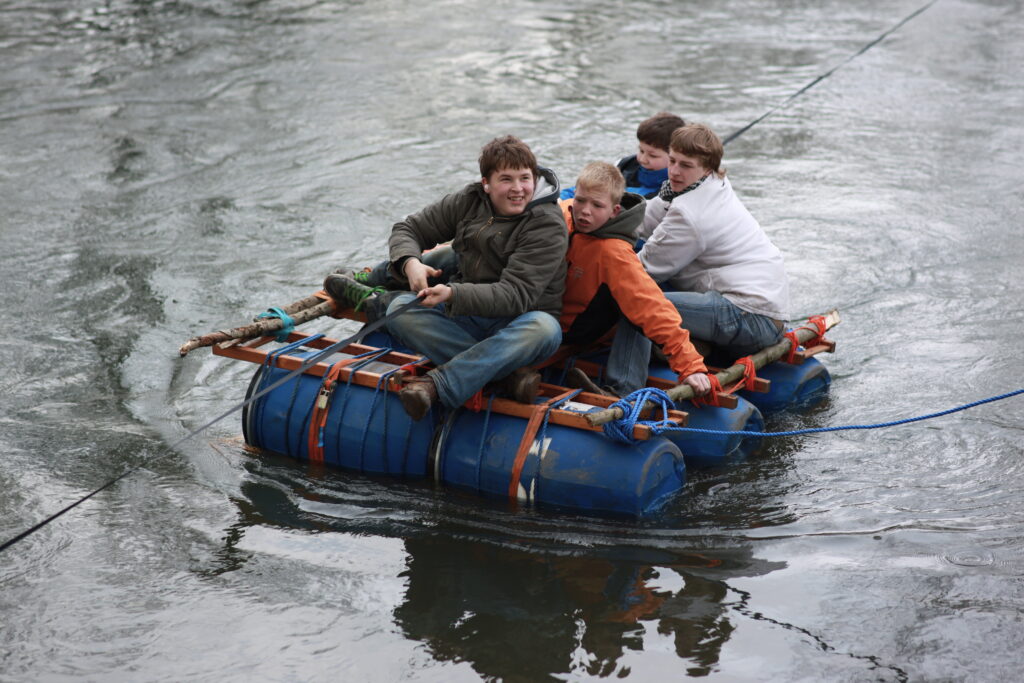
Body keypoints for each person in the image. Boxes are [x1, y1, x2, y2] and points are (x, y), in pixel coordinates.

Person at [324, 136, 567, 420]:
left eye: (525, 178)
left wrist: (452, 294)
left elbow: (515, 295)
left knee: (545, 328)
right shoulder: (469, 201)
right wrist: (410, 263)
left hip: (519, 322)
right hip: (466, 315)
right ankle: (505, 377)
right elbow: (409, 228)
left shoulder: (547, 224)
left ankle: (438, 384)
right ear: (486, 183)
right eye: (506, 179)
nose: (518, 189)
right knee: (399, 310)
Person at [605, 123, 790, 395]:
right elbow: (643, 222)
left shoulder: (692, 215)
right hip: (761, 308)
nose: (676, 171)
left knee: (640, 306)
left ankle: (621, 391)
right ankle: (694, 346)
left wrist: (594, 268)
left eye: (686, 165)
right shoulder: (701, 185)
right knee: (647, 301)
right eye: (673, 161)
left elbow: (642, 273)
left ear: (707, 167)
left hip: (750, 315)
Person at [558, 162, 710, 398]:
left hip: (573, 328)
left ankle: (625, 386)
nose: (584, 211)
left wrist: (690, 365)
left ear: (614, 211)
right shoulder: (564, 214)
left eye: (597, 205)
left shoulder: (614, 254)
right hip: (553, 308)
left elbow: (651, 306)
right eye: (580, 200)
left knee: (636, 307)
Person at [561, 112, 685, 201]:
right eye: (641, 151)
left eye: (652, 155)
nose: (642, 159)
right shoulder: (625, 166)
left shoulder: (674, 188)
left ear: (674, 157)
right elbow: (589, 187)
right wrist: (560, 199)